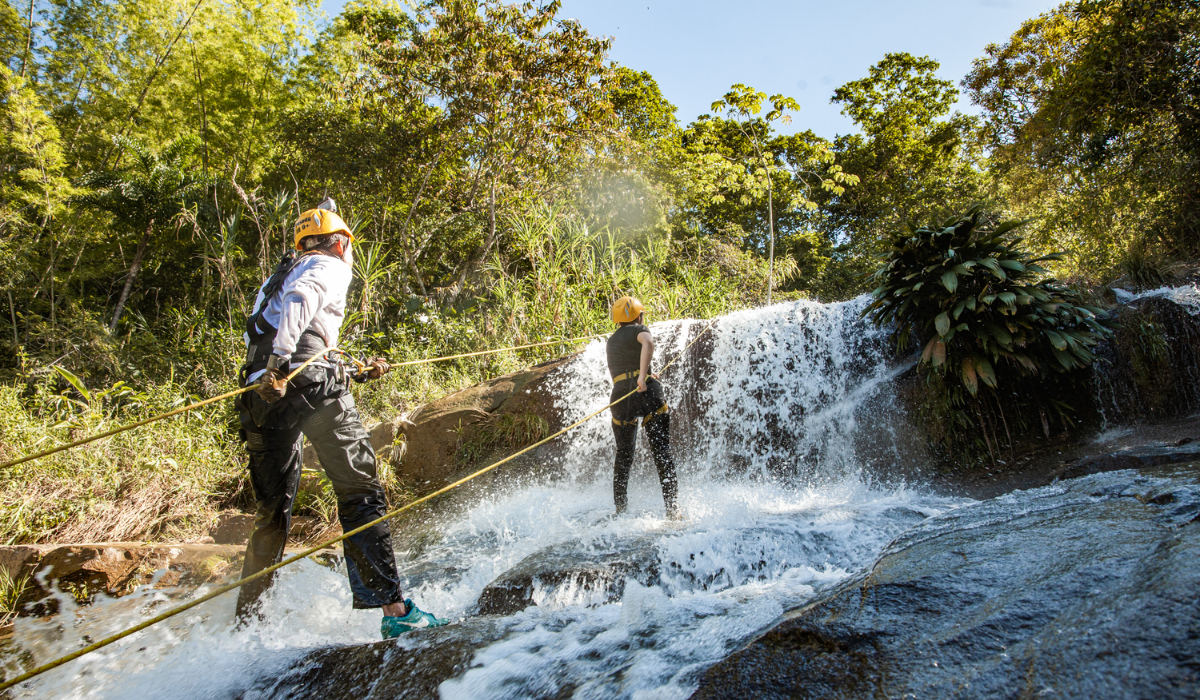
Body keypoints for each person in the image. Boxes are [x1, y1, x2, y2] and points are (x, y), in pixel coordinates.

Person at [235, 198, 446, 639]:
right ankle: (395, 611)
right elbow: (302, 304)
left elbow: (296, 332)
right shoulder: (326, 264)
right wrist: (280, 364)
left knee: (272, 512)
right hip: (298, 379)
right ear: (341, 243)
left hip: (259, 394)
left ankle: (246, 623)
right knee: (359, 489)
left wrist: (352, 369)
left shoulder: (275, 278)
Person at [605, 296, 680, 518]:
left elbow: (621, 371)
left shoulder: (611, 341)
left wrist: (639, 374)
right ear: (638, 315)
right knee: (662, 452)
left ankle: (620, 510)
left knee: (624, 455)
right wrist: (642, 376)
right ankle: (673, 511)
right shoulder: (639, 328)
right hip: (646, 392)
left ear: (617, 320)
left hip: (621, 397)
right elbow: (648, 342)